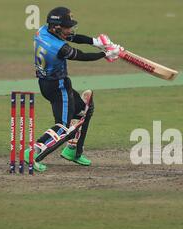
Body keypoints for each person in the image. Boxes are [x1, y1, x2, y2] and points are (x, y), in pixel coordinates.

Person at [27, 7, 121, 172]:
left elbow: (73, 37)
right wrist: (105, 54)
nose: (69, 30)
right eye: (66, 26)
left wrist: (96, 42)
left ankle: (73, 150)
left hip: (49, 84)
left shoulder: (43, 31)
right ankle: (31, 153)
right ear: (56, 27)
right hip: (58, 87)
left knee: (83, 110)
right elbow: (81, 55)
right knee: (63, 126)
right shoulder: (58, 47)